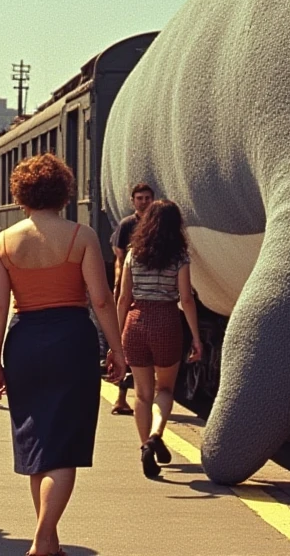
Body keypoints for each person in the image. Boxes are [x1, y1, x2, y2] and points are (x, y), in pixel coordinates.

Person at [0, 154, 127, 556]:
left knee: (37, 443)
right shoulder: (80, 236)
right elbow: (101, 299)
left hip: (25, 341)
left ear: (22, 193)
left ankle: (49, 539)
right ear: (62, 192)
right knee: (63, 444)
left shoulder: (5, 241)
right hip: (72, 341)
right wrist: (117, 349)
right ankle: (44, 537)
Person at [116, 199, 203, 478]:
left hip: (136, 322)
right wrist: (197, 338)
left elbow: (123, 298)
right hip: (166, 321)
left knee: (141, 394)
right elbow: (187, 299)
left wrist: (116, 339)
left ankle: (144, 447)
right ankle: (156, 434)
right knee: (164, 390)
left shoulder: (133, 254)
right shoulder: (179, 256)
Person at [108, 182, 154, 415]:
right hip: (130, 287)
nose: (144, 202)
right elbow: (119, 257)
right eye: (140, 198)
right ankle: (121, 396)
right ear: (132, 201)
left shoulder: (158, 225)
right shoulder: (127, 225)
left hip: (152, 291)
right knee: (125, 340)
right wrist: (119, 286)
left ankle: (141, 395)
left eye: (147, 198)